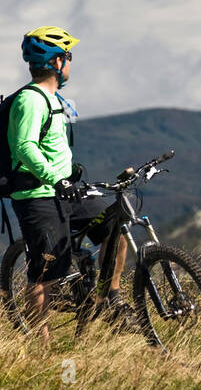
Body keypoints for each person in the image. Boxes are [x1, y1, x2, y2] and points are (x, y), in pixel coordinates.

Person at [7, 26, 129, 339]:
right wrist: (56, 179)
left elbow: (53, 147)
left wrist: (71, 176)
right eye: (68, 56)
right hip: (37, 194)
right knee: (46, 271)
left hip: (65, 191)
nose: (71, 63)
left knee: (117, 223)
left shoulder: (55, 99)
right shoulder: (30, 100)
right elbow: (25, 147)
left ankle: (108, 297)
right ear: (56, 62)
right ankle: (42, 352)